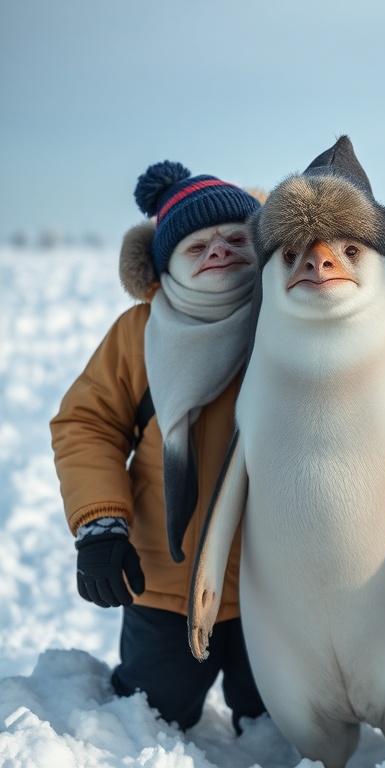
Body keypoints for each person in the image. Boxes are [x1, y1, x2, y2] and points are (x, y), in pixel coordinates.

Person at [50, 161, 267, 733]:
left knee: (277, 734)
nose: (218, 251)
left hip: (276, 583)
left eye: (236, 239)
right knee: (151, 718)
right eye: (197, 246)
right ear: (166, 263)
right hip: (168, 584)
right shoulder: (138, 333)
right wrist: (100, 524)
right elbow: (87, 424)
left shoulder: (288, 316)